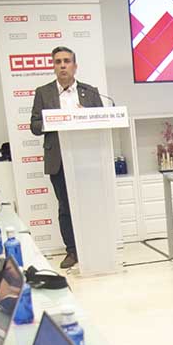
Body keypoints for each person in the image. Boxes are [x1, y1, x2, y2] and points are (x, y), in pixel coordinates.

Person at [29, 46, 106, 269]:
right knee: (65, 207)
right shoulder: (43, 93)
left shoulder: (90, 92)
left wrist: (87, 116)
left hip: (87, 158)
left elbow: (101, 121)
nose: (62, 65)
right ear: (53, 66)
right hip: (59, 160)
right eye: (58, 62)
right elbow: (34, 125)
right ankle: (72, 251)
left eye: (67, 61)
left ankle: (94, 246)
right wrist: (55, 119)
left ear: (75, 65)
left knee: (91, 204)